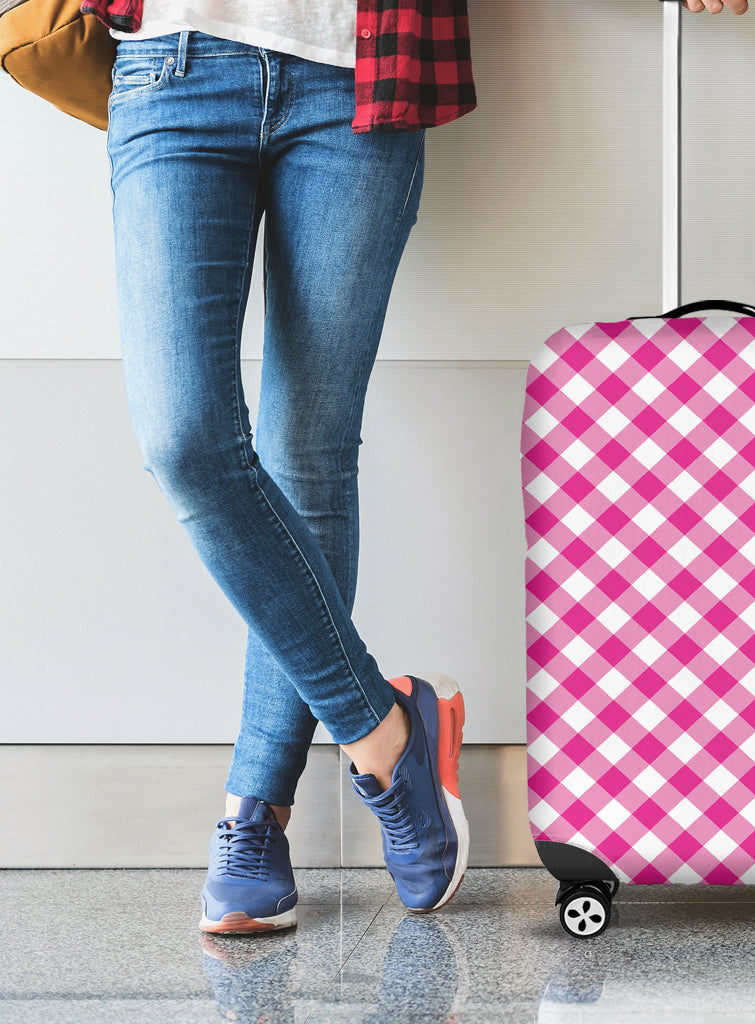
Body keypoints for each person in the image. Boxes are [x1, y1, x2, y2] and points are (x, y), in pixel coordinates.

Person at [84, 0, 475, 933]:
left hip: (360, 80)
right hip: (173, 70)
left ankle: (255, 813)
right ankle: (385, 730)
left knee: (309, 455)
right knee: (184, 442)